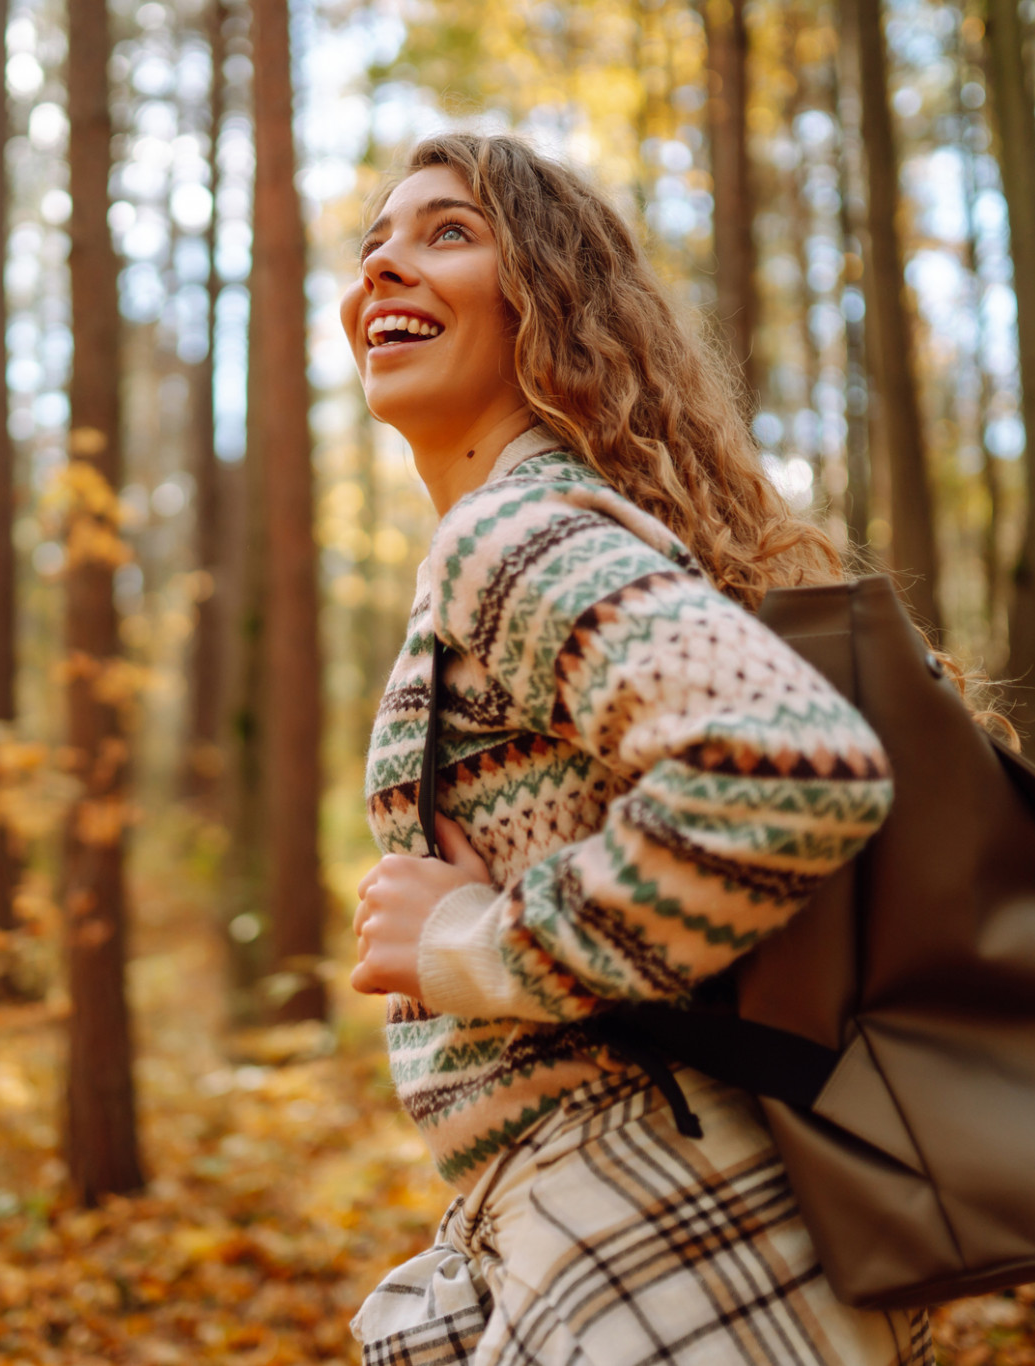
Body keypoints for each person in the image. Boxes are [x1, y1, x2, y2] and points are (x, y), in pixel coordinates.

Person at [344, 131, 929, 1366]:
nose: (383, 269)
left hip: (674, 1233)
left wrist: (468, 942)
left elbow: (790, 768)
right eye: (374, 244)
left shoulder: (514, 528)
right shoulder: (531, 529)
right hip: (654, 1226)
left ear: (544, 302)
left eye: (446, 232)